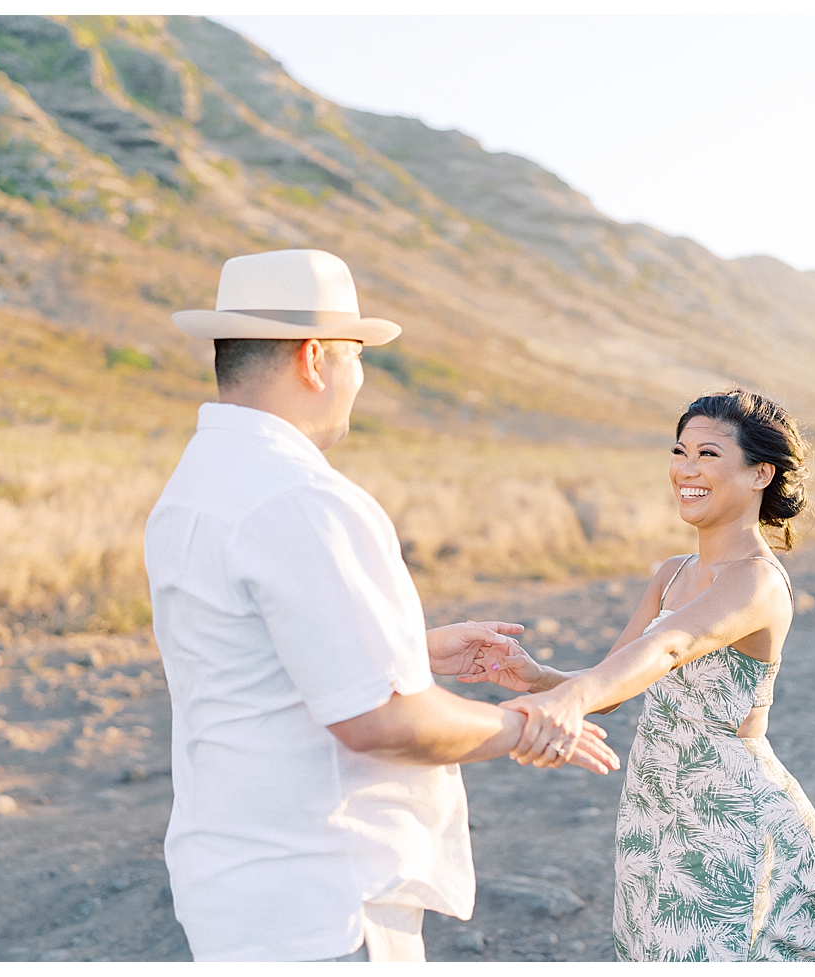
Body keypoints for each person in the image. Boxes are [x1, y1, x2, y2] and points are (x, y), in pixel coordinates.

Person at [143, 248, 620, 963]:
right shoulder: (302, 496)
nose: (358, 378)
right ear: (314, 359)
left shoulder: (196, 484)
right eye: (356, 354)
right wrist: (524, 723)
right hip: (326, 898)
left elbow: (245, 655)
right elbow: (381, 722)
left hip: (239, 888)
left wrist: (407, 648)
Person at [459, 388, 815, 962]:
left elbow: (666, 648)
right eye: (680, 451)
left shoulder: (756, 580)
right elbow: (615, 682)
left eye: (708, 455)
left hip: (727, 809)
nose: (686, 469)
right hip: (652, 799)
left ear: (761, 473)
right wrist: (537, 678)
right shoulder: (670, 573)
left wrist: (570, 699)